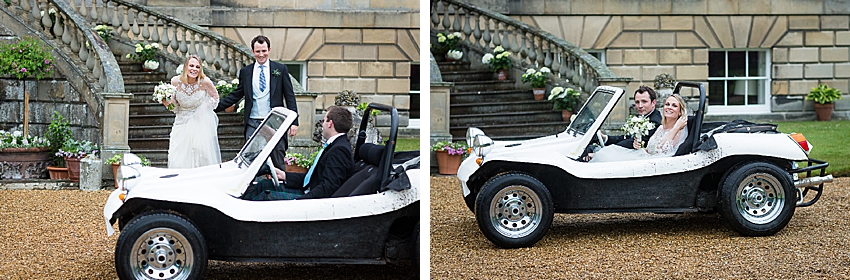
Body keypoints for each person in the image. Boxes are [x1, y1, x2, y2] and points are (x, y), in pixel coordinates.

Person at [215, 35, 298, 168]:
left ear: (269, 50)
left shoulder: (280, 69)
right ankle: (253, 186)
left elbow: (290, 96)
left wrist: (294, 122)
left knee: (277, 155)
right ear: (253, 51)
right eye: (258, 51)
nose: (261, 54)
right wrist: (214, 107)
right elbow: (236, 94)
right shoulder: (246, 72)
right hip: (253, 122)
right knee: (251, 159)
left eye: (264, 51)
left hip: (274, 121)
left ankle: (280, 186)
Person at [242, 106, 354, 200]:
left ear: (330, 124)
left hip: (310, 200)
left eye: (324, 120)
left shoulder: (339, 150)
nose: (322, 125)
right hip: (306, 191)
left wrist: (298, 202)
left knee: (266, 197)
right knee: (263, 184)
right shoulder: (334, 145)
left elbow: (328, 187)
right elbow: (313, 178)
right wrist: (285, 175)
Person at [589, 94, 689, 163]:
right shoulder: (661, 128)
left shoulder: (679, 131)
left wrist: (675, 128)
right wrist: (639, 146)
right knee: (609, 152)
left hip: (655, 165)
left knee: (609, 156)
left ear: (680, 112)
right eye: (667, 104)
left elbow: (661, 152)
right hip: (644, 157)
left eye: (674, 106)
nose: (669, 107)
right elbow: (650, 149)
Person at [163, 55, 222, 168]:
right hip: (181, 122)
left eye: (197, 67)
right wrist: (167, 103)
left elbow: (215, 97)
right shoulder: (176, 82)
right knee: (177, 157)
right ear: (186, 66)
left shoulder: (204, 82)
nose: (194, 69)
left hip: (199, 123)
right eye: (191, 66)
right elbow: (175, 107)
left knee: (199, 156)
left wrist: (204, 107)